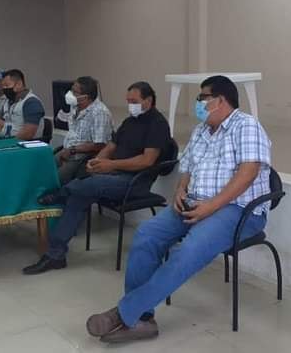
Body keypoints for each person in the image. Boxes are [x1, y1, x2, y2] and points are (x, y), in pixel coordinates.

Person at [85, 75, 272, 343]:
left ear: (220, 100)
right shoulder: (201, 131)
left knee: (187, 250)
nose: (198, 103)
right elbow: (187, 168)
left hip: (237, 209)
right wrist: (180, 190)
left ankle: (125, 313)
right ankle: (143, 319)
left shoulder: (247, 126)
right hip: (194, 202)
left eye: (202, 98)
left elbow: (248, 173)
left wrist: (211, 207)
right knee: (146, 235)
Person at [22, 81, 171, 275]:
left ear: (148, 101)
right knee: (79, 195)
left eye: (134, 101)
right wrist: (98, 161)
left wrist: (111, 165)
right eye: (128, 101)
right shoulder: (130, 122)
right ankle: (55, 255)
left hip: (135, 181)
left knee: (87, 184)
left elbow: (147, 160)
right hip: (114, 173)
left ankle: (60, 193)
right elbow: (111, 146)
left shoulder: (157, 124)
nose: (130, 105)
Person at [55, 76, 113, 185]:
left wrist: (72, 150)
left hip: (83, 155)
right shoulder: (75, 106)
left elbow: (99, 144)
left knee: (56, 180)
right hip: (68, 150)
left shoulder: (100, 113)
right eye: (71, 90)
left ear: (85, 97)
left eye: (74, 92)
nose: (70, 94)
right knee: (44, 169)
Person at [0, 69, 45, 140]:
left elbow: (28, 133)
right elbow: (0, 124)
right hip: (5, 141)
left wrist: (9, 142)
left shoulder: (31, 102)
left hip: (22, 143)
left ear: (19, 84)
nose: (4, 89)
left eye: (7, 85)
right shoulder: (8, 101)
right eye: (3, 86)